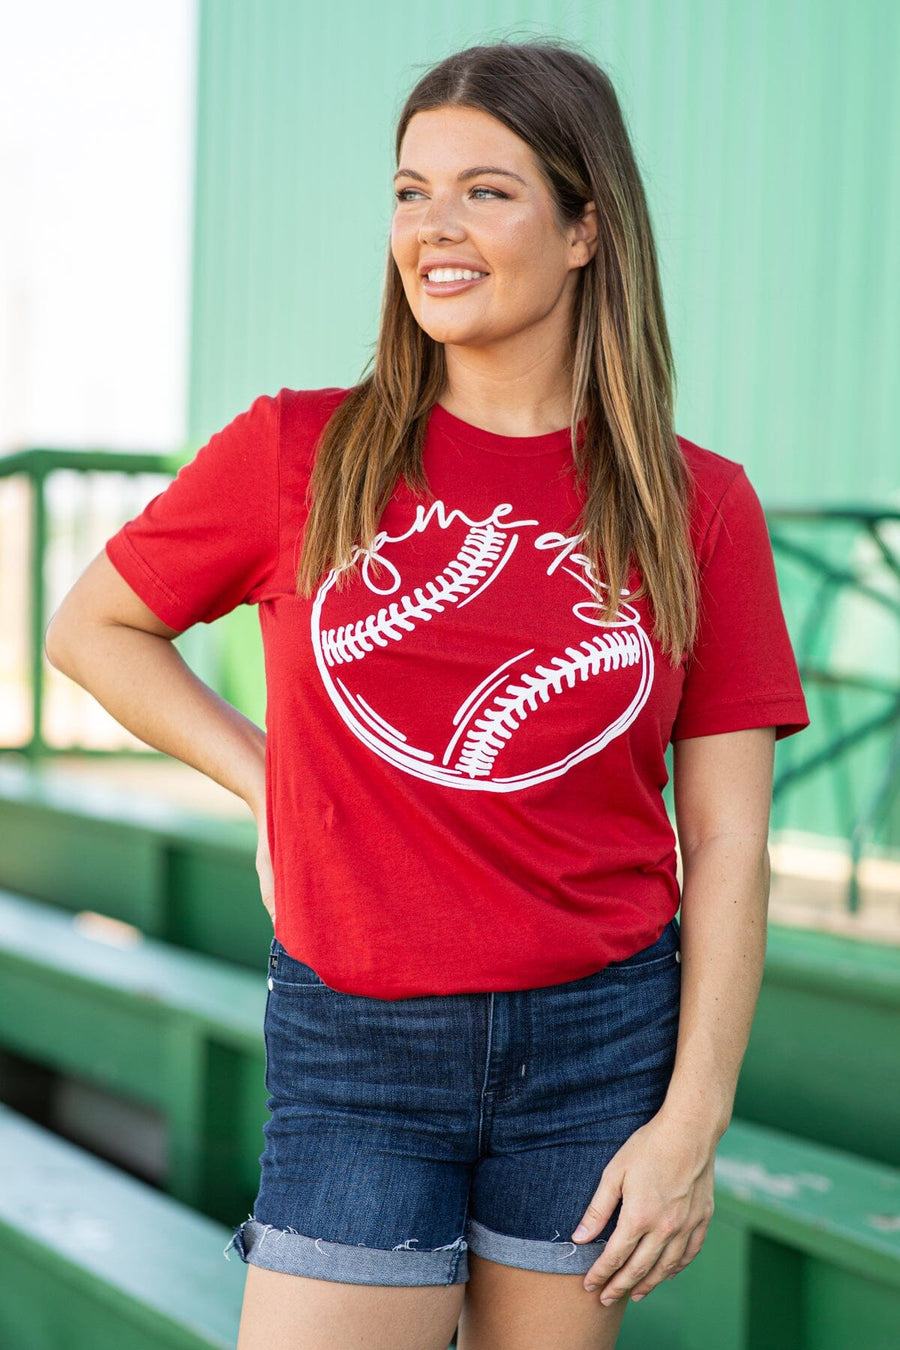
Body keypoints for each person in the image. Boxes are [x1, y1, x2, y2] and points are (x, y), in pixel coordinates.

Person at [45, 37, 809, 1350]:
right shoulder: (299, 448)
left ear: (585, 228)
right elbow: (94, 625)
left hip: (598, 1043)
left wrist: (693, 1124)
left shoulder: (702, 505)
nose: (433, 227)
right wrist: (267, 781)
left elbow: (731, 839)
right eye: (410, 190)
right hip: (359, 1039)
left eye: (486, 191)